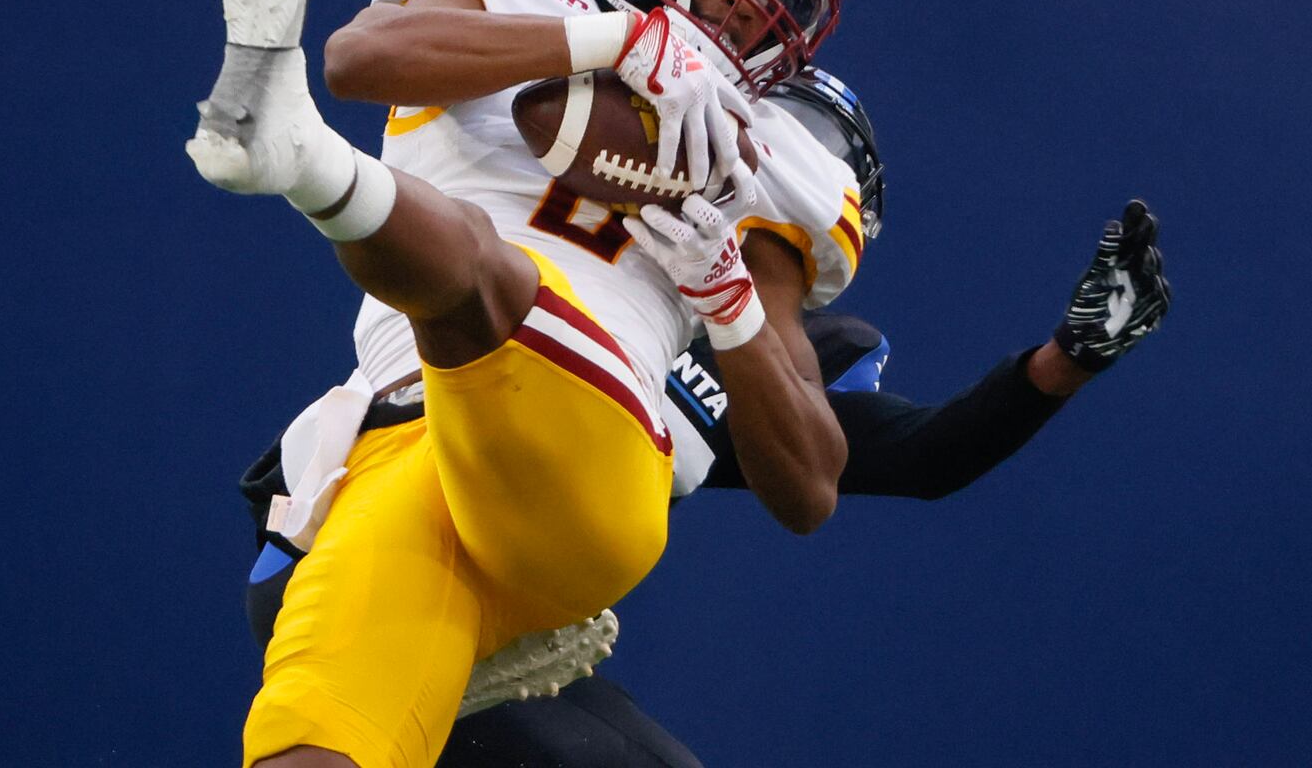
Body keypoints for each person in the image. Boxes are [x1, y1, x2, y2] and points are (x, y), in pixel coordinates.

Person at [239, 70, 1172, 767]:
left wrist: (1062, 363)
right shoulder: (582, 214)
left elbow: (911, 457)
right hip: (380, 532)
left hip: (515, 619)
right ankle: (312, 160)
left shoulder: (766, 364)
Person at [189, 0, 873, 767]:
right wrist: (614, 39)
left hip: (594, 455)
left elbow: (808, 483)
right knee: (313, 745)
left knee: (482, 264)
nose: (754, 6)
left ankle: (302, 161)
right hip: (403, 457)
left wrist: (725, 297)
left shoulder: (763, 150)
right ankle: (299, 154)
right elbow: (358, 56)